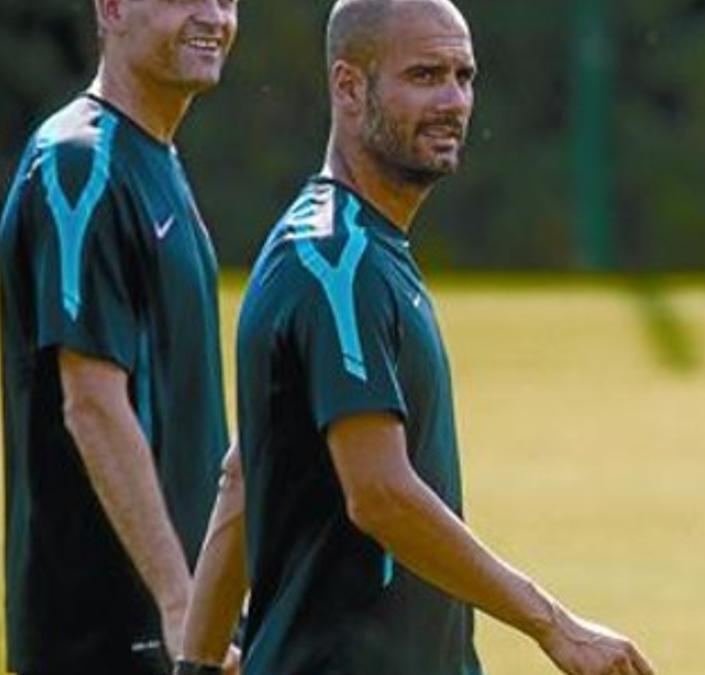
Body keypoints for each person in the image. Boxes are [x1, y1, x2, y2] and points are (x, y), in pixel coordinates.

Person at [175, 1, 655, 674]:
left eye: (464, 75)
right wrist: (553, 623)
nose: (454, 100)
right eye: (425, 75)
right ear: (348, 86)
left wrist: (195, 661)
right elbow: (381, 494)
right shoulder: (336, 261)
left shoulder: (360, 247)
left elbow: (247, 469)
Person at [0, 0, 240, 673]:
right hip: (105, 637)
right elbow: (92, 402)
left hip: (180, 627)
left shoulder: (153, 158)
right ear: (111, 7)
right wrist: (178, 601)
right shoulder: (80, 164)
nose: (213, 16)